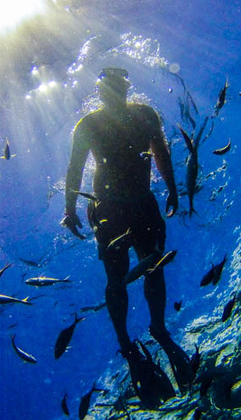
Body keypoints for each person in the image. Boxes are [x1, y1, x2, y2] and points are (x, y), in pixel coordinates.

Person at [61, 67, 195, 408]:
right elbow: (74, 169)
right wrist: (70, 209)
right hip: (108, 212)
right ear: (100, 91)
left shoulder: (146, 115)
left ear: (125, 87)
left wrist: (172, 189)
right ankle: (125, 341)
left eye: (118, 84)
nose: (113, 90)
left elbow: (161, 153)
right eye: (107, 86)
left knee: (155, 267)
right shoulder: (87, 126)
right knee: (116, 279)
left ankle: (158, 328)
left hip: (144, 206)